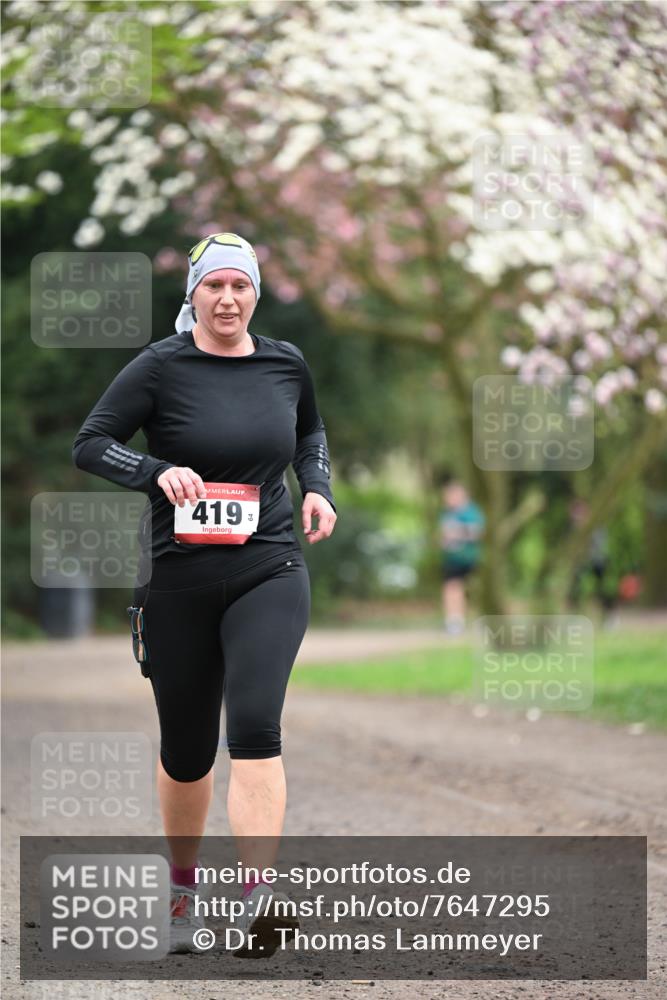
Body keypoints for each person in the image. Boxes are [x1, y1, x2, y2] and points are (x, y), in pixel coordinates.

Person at [72, 232, 337, 957]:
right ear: (192, 294)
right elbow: (90, 442)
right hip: (179, 578)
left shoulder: (286, 363)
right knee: (187, 752)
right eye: (213, 286)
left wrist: (317, 488)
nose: (226, 299)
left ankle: (258, 901)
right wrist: (154, 471)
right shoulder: (161, 365)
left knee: (254, 726)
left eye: (239, 286)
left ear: (255, 294)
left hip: (269, 566)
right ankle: (182, 891)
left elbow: (310, 430)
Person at [438, 478, 484, 634]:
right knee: (451, 588)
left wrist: (456, 534)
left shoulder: (471, 512)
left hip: (469, 558)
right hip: (452, 558)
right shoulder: (448, 513)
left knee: (467, 589)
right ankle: (454, 621)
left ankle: (473, 620)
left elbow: (476, 533)